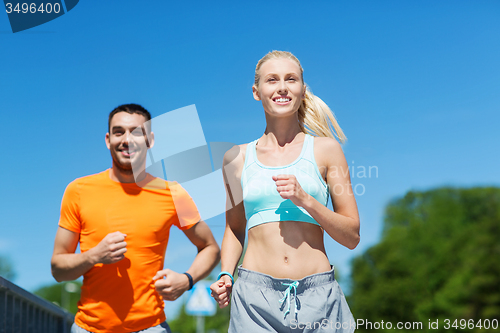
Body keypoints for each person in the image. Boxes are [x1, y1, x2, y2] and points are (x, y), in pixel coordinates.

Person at [210, 51, 360, 333]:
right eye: (272, 80)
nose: (282, 87)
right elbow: (234, 228)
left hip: (321, 300)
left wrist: (306, 200)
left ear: (302, 90)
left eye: (291, 79)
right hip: (254, 303)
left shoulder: (326, 150)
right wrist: (226, 273)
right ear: (257, 92)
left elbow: (351, 236)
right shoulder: (235, 158)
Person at [51, 104, 220, 333]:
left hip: (150, 327)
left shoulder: (172, 193)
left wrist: (186, 280)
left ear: (149, 140)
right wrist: (94, 255)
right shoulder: (79, 190)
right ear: (108, 139)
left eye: (136, 132)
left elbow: (210, 247)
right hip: (88, 328)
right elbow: (58, 269)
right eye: (119, 132)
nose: (127, 139)